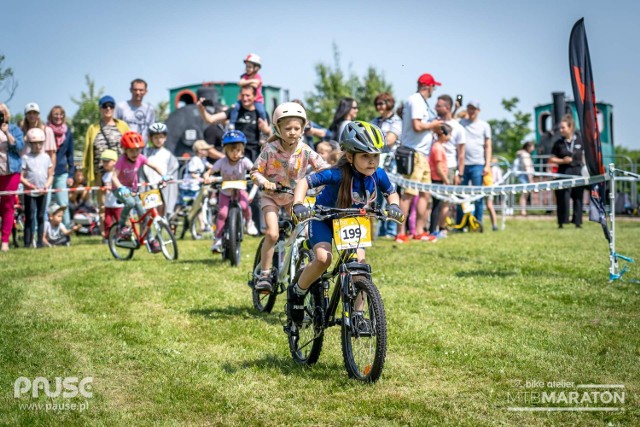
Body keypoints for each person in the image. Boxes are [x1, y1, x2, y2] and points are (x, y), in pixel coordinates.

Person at [286, 121, 404, 324]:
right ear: (350, 156)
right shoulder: (336, 174)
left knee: (359, 266)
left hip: (352, 222)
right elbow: (304, 182)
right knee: (324, 259)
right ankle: (297, 292)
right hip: (324, 219)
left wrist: (394, 206)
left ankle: (358, 315)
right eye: (365, 156)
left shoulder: (379, 175)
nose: (372, 161)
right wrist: (298, 204)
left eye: (375, 155)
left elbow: (391, 193)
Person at [250, 102, 329, 293]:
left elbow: (324, 167)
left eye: (297, 128)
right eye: (287, 128)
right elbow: (254, 171)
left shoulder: (305, 149)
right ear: (277, 128)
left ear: (303, 129)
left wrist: (328, 179)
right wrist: (264, 182)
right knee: (273, 233)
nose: (292, 132)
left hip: (294, 197)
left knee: (304, 233)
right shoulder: (270, 150)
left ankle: (300, 266)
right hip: (271, 196)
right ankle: (266, 274)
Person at [395, 73, 444, 243]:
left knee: (425, 194)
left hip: (422, 155)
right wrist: (433, 125)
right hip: (414, 153)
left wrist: (433, 127)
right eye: (433, 87)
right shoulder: (416, 100)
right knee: (408, 194)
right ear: (428, 86)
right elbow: (417, 126)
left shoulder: (420, 101)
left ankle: (419, 231)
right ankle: (401, 233)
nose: (433, 90)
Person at [111, 132, 168, 252]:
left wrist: (164, 175)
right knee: (130, 203)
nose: (135, 153)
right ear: (124, 150)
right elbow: (114, 177)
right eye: (131, 151)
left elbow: (154, 166)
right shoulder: (121, 161)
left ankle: (151, 240)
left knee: (143, 214)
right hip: (119, 188)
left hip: (132, 189)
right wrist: (121, 188)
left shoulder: (141, 158)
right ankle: (122, 226)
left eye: (137, 150)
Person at [83, 95, 130, 235]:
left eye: (110, 106)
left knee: (124, 203)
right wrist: (87, 173)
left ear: (114, 108)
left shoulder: (122, 125)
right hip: (100, 174)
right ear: (100, 108)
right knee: (103, 206)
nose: (108, 109)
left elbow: (129, 147)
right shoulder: (93, 128)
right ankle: (106, 235)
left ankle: (125, 232)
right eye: (105, 106)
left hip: (120, 174)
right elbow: (87, 151)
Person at [204, 130, 257, 253]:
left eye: (238, 150)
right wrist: (207, 176)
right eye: (231, 150)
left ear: (242, 150)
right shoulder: (222, 162)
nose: (235, 154)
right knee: (222, 214)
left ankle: (249, 222)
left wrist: (256, 175)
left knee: (244, 206)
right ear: (225, 150)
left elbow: (254, 170)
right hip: (225, 191)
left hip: (240, 189)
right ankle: (217, 239)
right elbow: (211, 171)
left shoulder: (244, 161)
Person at [197, 86, 271, 163]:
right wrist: (202, 110)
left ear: (255, 96)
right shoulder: (234, 111)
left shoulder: (262, 114)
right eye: (242, 95)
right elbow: (210, 119)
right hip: (236, 154)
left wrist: (266, 130)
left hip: (255, 154)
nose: (245, 98)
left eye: (248, 95)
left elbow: (271, 136)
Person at [371, 92, 403, 238]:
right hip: (375, 160)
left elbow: (390, 140)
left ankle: (390, 230)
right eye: (377, 103)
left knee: (390, 194)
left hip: (391, 162)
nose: (379, 106)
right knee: (376, 196)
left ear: (389, 103)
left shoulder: (396, 121)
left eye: (382, 103)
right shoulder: (374, 121)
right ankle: (379, 230)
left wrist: (373, 140)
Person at [434, 94, 466, 232]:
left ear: (447, 107)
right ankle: (430, 228)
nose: (435, 107)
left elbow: (461, 154)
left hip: (450, 167)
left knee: (445, 200)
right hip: (433, 165)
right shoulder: (434, 123)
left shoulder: (458, 128)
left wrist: (460, 173)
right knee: (432, 200)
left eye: (439, 105)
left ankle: (442, 229)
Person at [459, 100, 492, 225]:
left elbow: (488, 146)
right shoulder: (461, 123)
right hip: (463, 165)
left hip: (478, 164)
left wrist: (487, 164)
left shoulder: (484, 125)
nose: (471, 111)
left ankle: (478, 222)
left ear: (478, 110)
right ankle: (461, 223)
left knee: (478, 195)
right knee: (460, 195)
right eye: (469, 108)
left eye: (473, 108)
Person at [550, 114, 585, 228]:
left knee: (578, 198)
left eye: (563, 127)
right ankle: (562, 222)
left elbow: (585, 157)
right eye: (560, 128)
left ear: (570, 127)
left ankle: (577, 222)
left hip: (578, 172)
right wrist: (562, 160)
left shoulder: (580, 140)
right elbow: (551, 158)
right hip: (564, 172)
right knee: (563, 198)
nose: (561, 130)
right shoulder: (558, 143)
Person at [21, 128, 53, 248]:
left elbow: (50, 176)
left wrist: (46, 185)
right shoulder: (26, 158)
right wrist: (29, 185)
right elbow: (21, 177)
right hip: (30, 192)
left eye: (40, 143)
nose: (38, 146)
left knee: (40, 216)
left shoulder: (46, 157)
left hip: (42, 192)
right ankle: (27, 243)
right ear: (29, 143)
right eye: (34, 143)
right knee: (29, 216)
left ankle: (40, 242)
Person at [0, 103, 25, 253]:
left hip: (11, 173)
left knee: (8, 207)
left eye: (2, 112)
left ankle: (5, 241)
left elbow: (20, 147)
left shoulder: (14, 129)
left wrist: (7, 133)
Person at [47, 105, 75, 228]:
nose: (58, 117)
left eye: (61, 114)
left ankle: (66, 231)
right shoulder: (46, 130)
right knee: (45, 203)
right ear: (51, 116)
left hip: (61, 172)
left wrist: (71, 174)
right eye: (55, 114)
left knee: (63, 203)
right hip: (46, 173)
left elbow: (70, 154)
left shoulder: (68, 132)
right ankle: (43, 233)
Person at [143, 122, 179, 216]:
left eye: (161, 137)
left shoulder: (168, 155)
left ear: (165, 138)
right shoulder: (145, 153)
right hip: (149, 187)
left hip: (162, 188)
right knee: (148, 214)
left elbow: (172, 170)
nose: (158, 140)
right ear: (151, 138)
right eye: (156, 137)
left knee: (161, 212)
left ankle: (160, 229)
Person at [229, 54, 267, 125]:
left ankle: (264, 124)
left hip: (257, 100)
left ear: (256, 68)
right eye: (246, 66)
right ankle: (232, 124)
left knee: (261, 111)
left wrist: (245, 82)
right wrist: (251, 81)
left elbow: (255, 84)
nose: (247, 68)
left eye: (249, 67)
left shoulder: (258, 76)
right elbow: (240, 83)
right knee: (235, 107)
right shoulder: (244, 76)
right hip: (243, 99)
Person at [428, 124, 451, 239]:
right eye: (449, 134)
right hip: (437, 180)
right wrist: (446, 180)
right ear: (443, 134)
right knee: (436, 206)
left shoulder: (439, 146)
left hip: (439, 179)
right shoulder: (437, 147)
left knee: (438, 205)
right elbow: (438, 168)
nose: (450, 137)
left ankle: (434, 229)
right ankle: (432, 230)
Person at [100, 149, 123, 241]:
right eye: (103, 161)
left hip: (118, 204)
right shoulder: (104, 175)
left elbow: (121, 186)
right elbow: (103, 188)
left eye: (107, 161)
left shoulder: (119, 174)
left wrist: (112, 187)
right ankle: (107, 237)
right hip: (108, 204)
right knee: (107, 221)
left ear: (114, 162)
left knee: (119, 221)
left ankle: (121, 236)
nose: (105, 164)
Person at [514, 141, 535, 216]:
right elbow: (527, 168)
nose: (533, 148)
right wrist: (530, 179)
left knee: (525, 194)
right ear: (528, 147)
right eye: (532, 146)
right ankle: (523, 211)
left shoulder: (523, 154)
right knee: (524, 194)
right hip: (525, 176)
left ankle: (523, 210)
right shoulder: (525, 155)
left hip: (524, 175)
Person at [485, 157, 503, 231]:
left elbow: (500, 180)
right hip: (482, 187)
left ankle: (494, 225)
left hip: (490, 188)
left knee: (489, 206)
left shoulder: (496, 169)